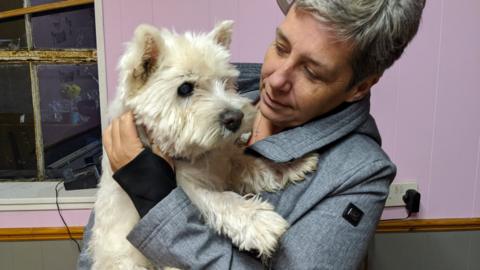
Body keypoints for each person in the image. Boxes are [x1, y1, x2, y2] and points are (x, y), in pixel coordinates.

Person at [78, 0, 425, 269]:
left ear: (359, 86)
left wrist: (159, 202)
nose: (274, 79)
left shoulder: (359, 173)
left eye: (312, 71)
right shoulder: (222, 79)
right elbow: (103, 234)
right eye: (281, 46)